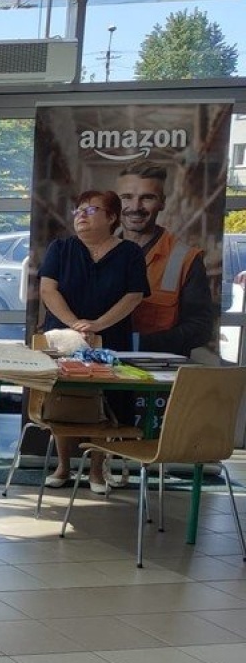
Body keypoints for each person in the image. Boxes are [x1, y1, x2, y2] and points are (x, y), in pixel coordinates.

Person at [38, 187, 149, 491]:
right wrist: (75, 324)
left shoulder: (129, 253)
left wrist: (98, 325)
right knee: (65, 400)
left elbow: (134, 295)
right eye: (78, 210)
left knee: (108, 401)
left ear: (112, 217)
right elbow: (48, 289)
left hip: (111, 335)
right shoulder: (61, 248)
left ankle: (97, 470)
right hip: (65, 337)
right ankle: (63, 466)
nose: (81, 216)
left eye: (90, 210)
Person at [116, 161, 213, 357]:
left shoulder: (184, 259)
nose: (135, 207)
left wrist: (136, 344)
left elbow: (200, 328)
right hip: (99, 368)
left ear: (162, 203)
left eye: (147, 198)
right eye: (126, 197)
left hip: (158, 372)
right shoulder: (95, 254)